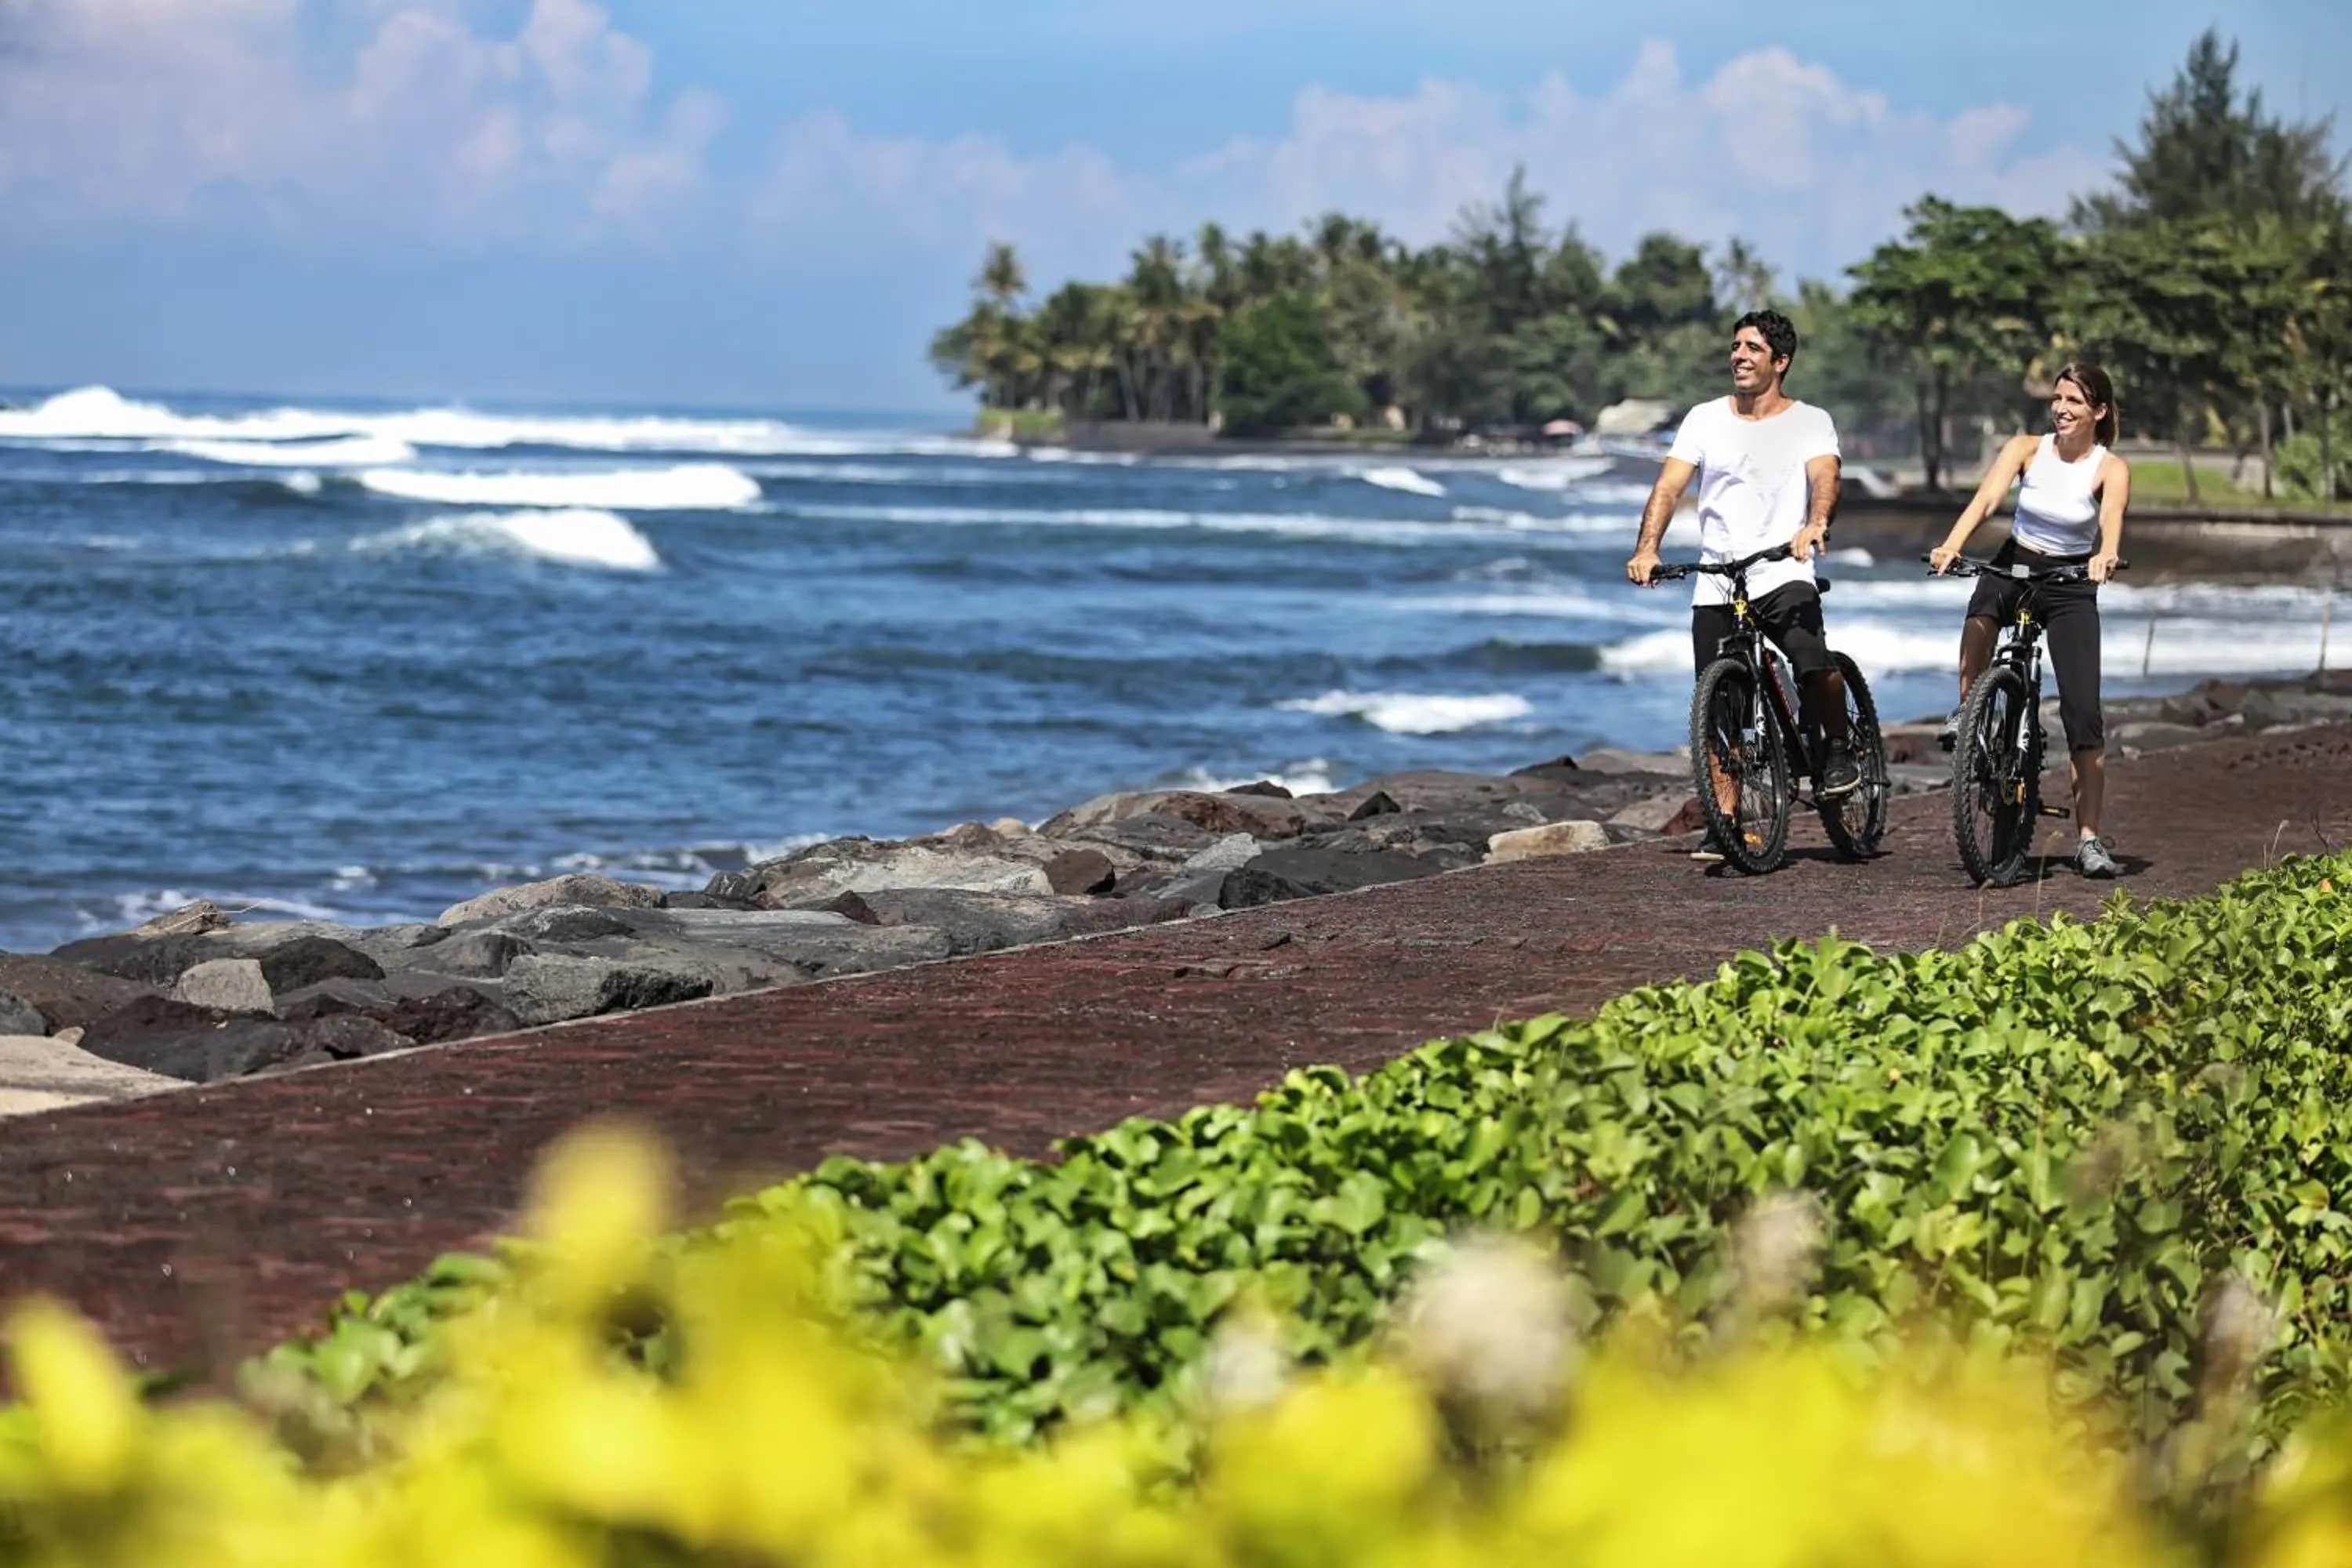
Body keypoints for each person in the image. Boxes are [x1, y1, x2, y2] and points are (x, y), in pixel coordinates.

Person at [1626, 309, 1857, 862]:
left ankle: (1838, 747)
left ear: (1781, 362)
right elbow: (1668, 487)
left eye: (1753, 348)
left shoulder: (1810, 421)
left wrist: (1815, 524)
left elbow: (1825, 478)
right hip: (1718, 578)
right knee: (1719, 711)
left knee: (1812, 662)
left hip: (1782, 571)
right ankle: (1725, 822)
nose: (1739, 356)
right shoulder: (1704, 419)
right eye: (1736, 346)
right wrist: (1647, 548)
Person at [1928, 362, 2129, 879]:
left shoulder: (2110, 468)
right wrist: (1952, 545)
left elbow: (2111, 519)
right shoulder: (2024, 448)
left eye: (2074, 402)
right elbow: (1987, 500)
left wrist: (2106, 553)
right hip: (2018, 560)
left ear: (2098, 411)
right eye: (2057, 399)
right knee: (1981, 609)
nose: (2061, 409)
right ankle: (1969, 711)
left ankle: (2089, 840)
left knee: (2083, 713)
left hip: (2070, 580)